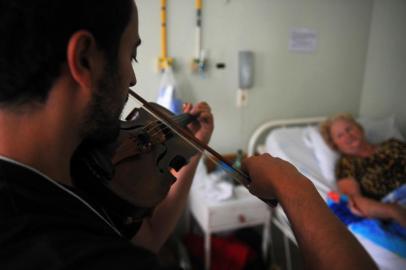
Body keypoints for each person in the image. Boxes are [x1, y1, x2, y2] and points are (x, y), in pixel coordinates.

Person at [0, 1, 377, 269]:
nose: (132, 79)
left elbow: (144, 237)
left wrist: (191, 152)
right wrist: (291, 182)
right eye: (131, 55)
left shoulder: (58, 176)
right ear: (84, 59)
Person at [320, 113, 406, 226]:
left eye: (349, 129)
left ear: (359, 128)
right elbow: (354, 201)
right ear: (334, 144)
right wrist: (394, 211)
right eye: (340, 135)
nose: (348, 136)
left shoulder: (393, 144)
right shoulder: (346, 165)